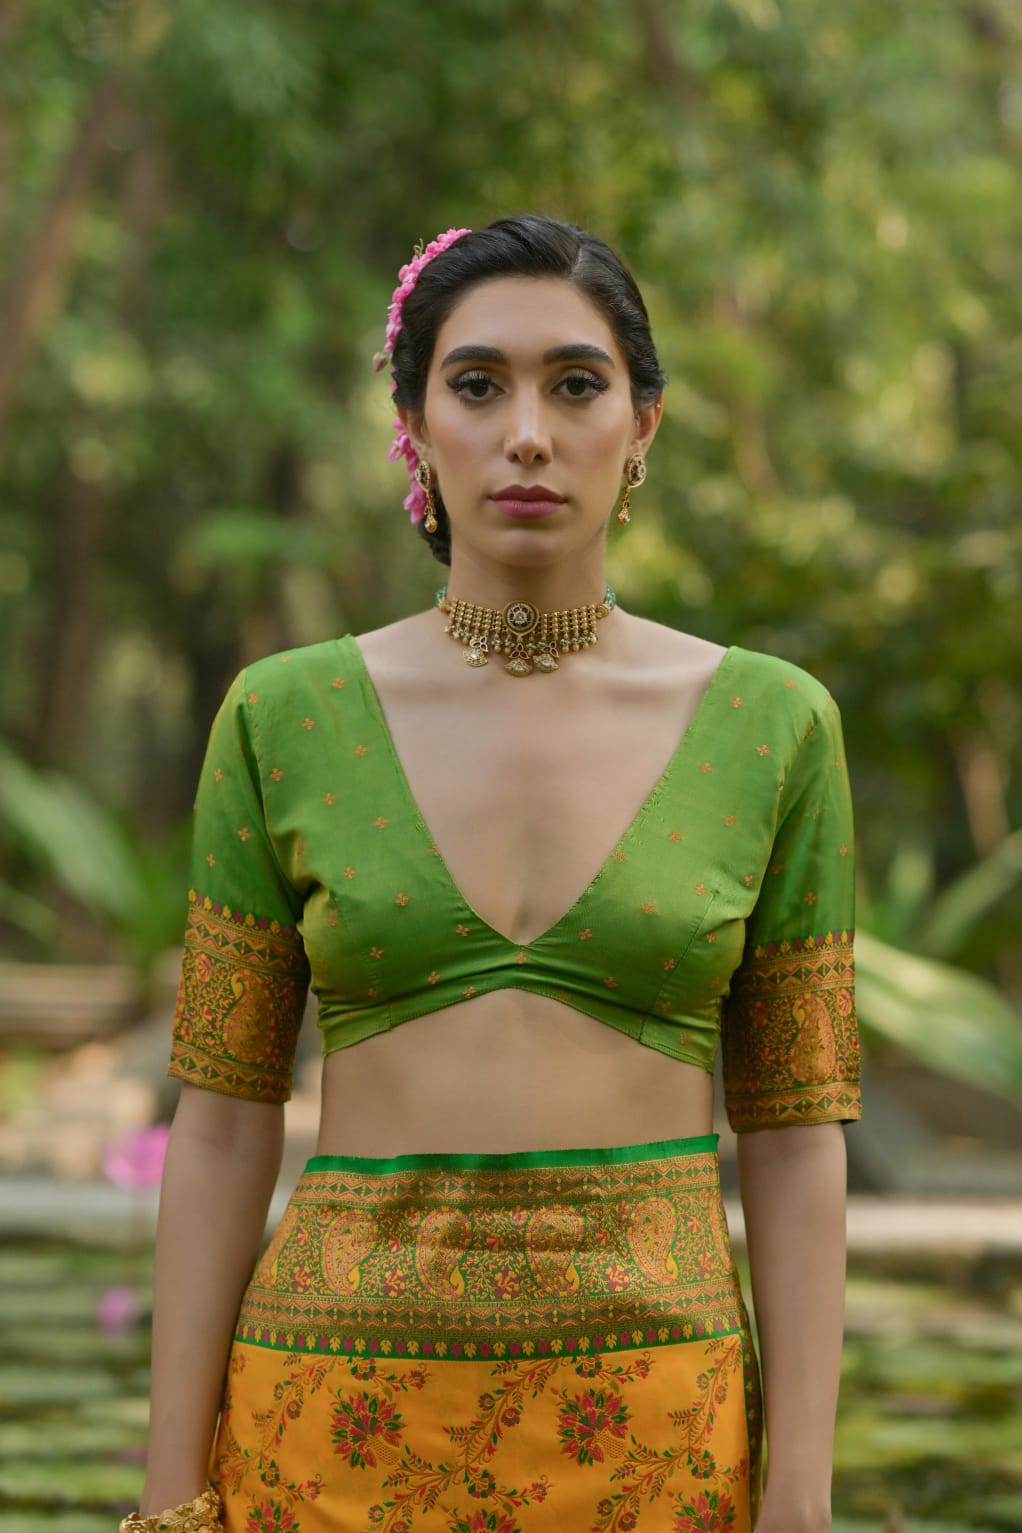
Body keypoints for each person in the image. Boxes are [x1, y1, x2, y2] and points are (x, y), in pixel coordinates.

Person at [125, 214, 861, 1533]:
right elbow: (227, 1119)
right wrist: (172, 1495)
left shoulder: (771, 724)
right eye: (477, 384)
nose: (527, 431)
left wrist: (797, 1490)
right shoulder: (281, 715)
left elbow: (797, 1130)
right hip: (327, 1425)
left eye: (574, 383)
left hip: (658, 1431)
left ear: (642, 421)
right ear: (412, 421)